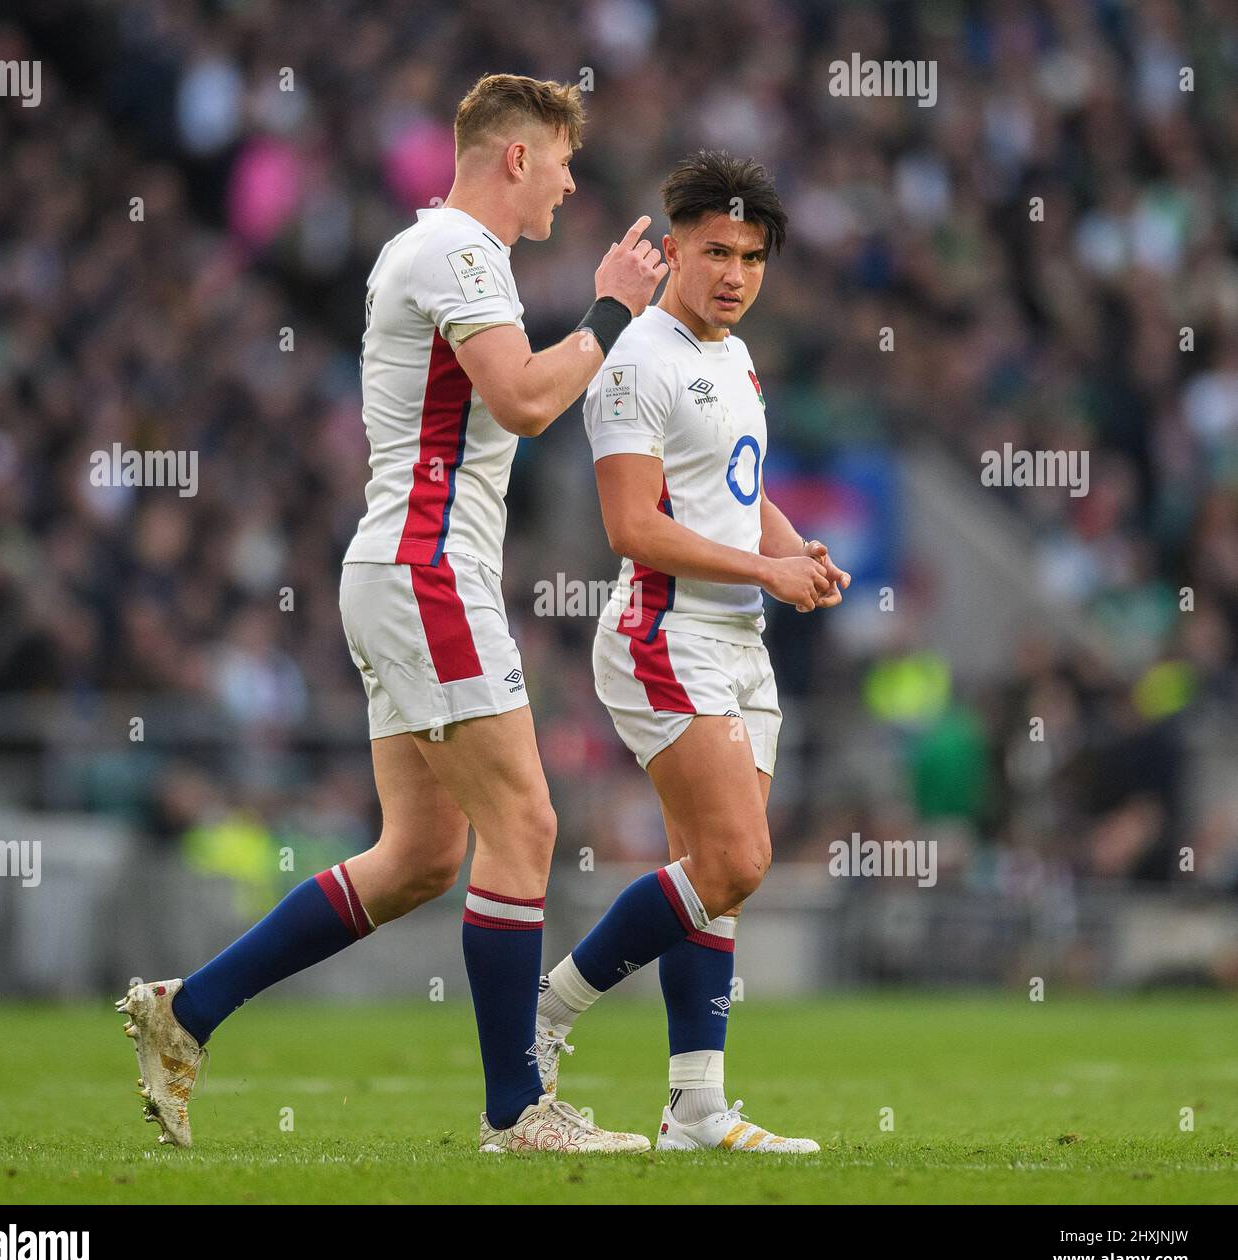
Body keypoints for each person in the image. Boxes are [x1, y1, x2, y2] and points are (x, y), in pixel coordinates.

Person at [117, 73, 666, 1153]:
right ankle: (518, 1110)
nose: (568, 182)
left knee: (419, 854)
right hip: (427, 571)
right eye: (560, 160)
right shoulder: (460, 252)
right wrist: (611, 309)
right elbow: (521, 398)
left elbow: (511, 395)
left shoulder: (437, 252)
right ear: (514, 155)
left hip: (399, 569)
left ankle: (186, 1012)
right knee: (528, 827)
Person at [535, 150, 850, 1153]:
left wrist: (792, 546)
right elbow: (631, 526)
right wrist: (766, 574)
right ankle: (547, 1010)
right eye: (715, 250)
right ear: (670, 249)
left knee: (714, 875)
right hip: (663, 634)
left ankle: (696, 1109)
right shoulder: (636, 360)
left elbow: (737, 495)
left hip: (737, 639)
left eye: (752, 255)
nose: (734, 273)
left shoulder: (733, 354)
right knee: (734, 858)